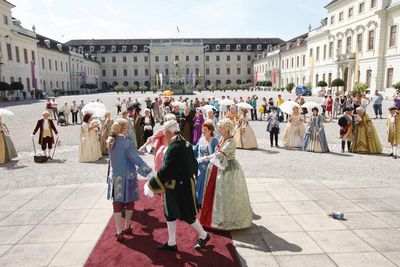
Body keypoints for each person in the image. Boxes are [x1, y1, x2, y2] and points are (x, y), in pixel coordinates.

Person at [144, 120, 210, 251]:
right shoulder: (186, 143)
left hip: (177, 186)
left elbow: (166, 169)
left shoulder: (174, 147)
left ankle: (204, 235)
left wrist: (151, 184)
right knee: (170, 213)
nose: (164, 136)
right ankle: (172, 242)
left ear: (169, 132)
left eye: (164, 134)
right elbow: (194, 165)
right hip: (182, 184)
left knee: (187, 215)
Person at [200, 119, 252, 230]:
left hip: (228, 169)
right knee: (216, 194)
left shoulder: (231, 142)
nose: (219, 130)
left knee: (226, 195)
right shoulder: (223, 138)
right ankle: (213, 218)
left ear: (227, 128)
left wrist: (205, 158)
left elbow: (219, 154)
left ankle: (227, 221)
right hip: (218, 167)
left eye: (221, 128)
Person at [106, 118, 153, 242]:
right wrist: (149, 171)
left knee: (116, 204)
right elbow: (136, 159)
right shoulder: (126, 142)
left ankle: (118, 231)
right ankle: (127, 226)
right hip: (128, 177)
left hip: (115, 176)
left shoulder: (110, 141)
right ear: (124, 128)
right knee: (129, 202)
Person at [193, 120, 218, 208]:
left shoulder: (214, 141)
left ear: (210, 130)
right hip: (200, 166)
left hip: (209, 166)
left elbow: (216, 154)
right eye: (202, 129)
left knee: (206, 183)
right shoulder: (200, 139)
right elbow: (195, 150)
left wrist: (208, 158)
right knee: (199, 182)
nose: (203, 131)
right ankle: (198, 201)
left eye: (205, 129)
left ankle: (206, 201)